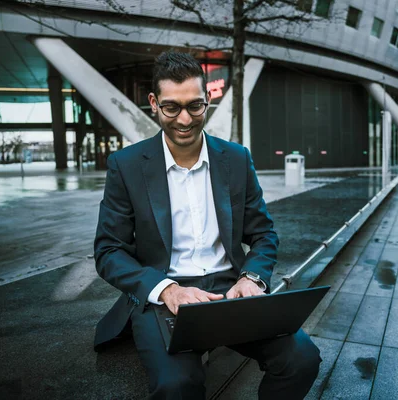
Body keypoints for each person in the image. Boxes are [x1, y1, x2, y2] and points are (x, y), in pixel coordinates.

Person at [93, 51, 321, 399]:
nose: (184, 119)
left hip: (231, 290)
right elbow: (109, 251)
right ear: (154, 103)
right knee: (177, 386)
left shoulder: (236, 158)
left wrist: (252, 277)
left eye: (194, 106)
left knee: (302, 359)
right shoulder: (125, 166)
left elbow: (263, 234)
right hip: (163, 295)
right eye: (171, 107)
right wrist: (167, 289)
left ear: (208, 99)